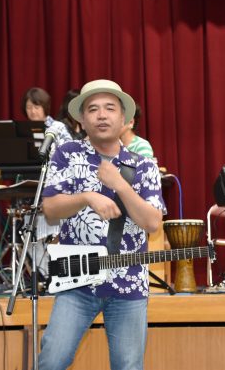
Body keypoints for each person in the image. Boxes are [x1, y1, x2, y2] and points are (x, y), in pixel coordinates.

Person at [37, 79, 165, 370]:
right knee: (53, 360)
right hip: (76, 280)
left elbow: (152, 223)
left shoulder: (144, 165)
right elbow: (51, 210)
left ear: (125, 119)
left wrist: (119, 184)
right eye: (93, 109)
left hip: (129, 282)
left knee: (128, 366)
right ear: (82, 120)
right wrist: (86, 197)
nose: (102, 115)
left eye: (110, 108)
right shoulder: (66, 154)